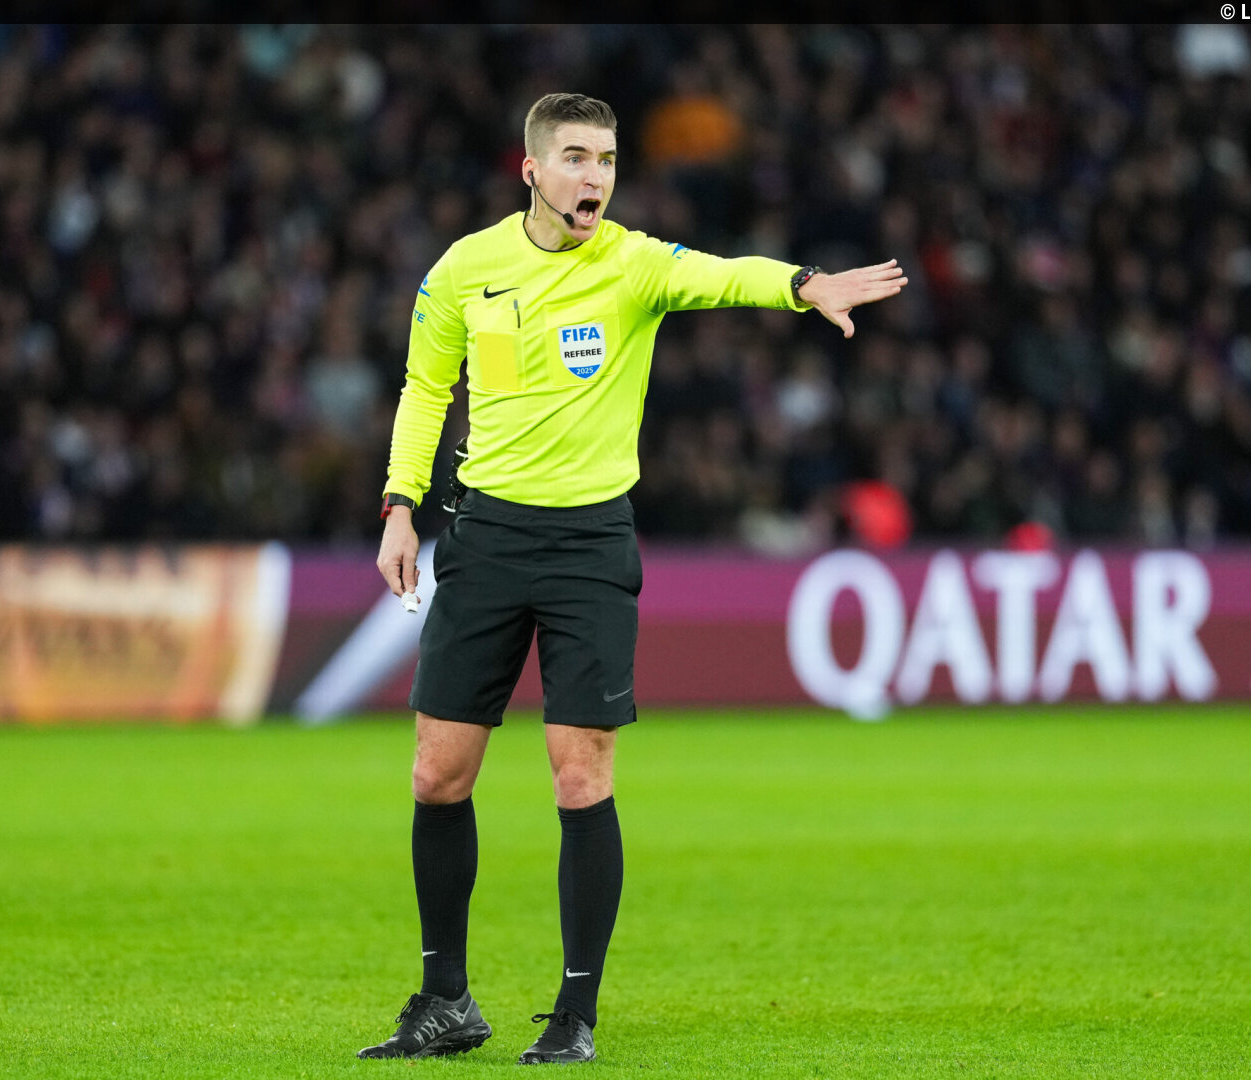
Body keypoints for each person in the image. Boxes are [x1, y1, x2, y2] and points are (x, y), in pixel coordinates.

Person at [360, 92, 906, 1065]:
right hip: (485, 538)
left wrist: (803, 285)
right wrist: (400, 504)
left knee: (581, 775)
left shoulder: (634, 264)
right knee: (437, 774)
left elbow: (727, 276)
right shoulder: (464, 270)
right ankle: (445, 1001)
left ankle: (575, 1015)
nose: (596, 178)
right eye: (577, 158)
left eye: (607, 161)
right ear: (531, 170)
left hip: (588, 546)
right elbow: (425, 388)